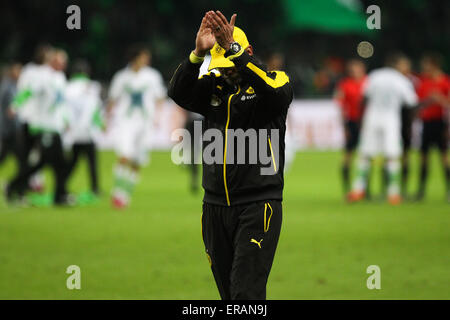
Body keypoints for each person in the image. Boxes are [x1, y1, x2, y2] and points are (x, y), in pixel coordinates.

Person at [168, 11, 293, 299]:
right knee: (229, 297)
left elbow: (276, 92)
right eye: (221, 64)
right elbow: (177, 92)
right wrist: (197, 55)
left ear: (247, 53)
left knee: (245, 296)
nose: (226, 71)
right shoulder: (214, 86)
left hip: (257, 206)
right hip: (213, 208)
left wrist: (235, 54)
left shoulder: (273, 82)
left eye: (230, 65)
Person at [347, 53, 418, 205]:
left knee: (365, 155)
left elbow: (364, 98)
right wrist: (410, 124)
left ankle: (358, 190)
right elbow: (411, 102)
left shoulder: (375, 76)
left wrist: (360, 120)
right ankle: (393, 193)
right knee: (392, 156)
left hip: (372, 118)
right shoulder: (401, 80)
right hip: (390, 120)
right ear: (397, 65)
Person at [6, 48, 71, 205]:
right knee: (46, 162)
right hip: (43, 125)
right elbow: (28, 92)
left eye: (64, 61)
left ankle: (60, 195)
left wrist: (65, 120)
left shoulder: (60, 78)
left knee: (59, 162)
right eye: (60, 60)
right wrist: (15, 106)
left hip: (55, 126)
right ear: (52, 61)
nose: (62, 64)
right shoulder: (42, 76)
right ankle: (13, 186)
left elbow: (61, 104)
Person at [108, 44, 166, 209]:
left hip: (145, 123)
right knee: (124, 156)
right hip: (126, 122)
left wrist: (158, 117)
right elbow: (113, 99)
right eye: (144, 57)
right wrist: (107, 119)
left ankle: (125, 195)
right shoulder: (121, 77)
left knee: (137, 161)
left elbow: (159, 97)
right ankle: (117, 191)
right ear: (135, 58)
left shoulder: (152, 76)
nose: (147, 60)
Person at [64, 59, 104, 199]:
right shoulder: (92, 87)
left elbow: (63, 109)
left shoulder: (67, 87)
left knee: (72, 162)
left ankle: (62, 185)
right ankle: (95, 188)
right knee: (92, 162)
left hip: (74, 132)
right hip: (88, 131)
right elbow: (96, 109)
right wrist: (100, 124)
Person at [415, 53, 450, 202]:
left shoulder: (445, 82)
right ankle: (421, 192)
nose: (424, 69)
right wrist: (427, 101)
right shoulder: (423, 82)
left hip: (441, 123)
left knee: (444, 158)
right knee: (423, 158)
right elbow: (418, 103)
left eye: (426, 66)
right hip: (426, 123)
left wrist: (439, 99)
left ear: (434, 66)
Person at [334, 59, 366, 195]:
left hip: (366, 123)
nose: (354, 71)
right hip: (352, 122)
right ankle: (347, 189)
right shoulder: (345, 84)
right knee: (348, 156)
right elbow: (341, 105)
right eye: (352, 69)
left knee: (366, 157)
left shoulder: (368, 82)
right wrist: (345, 126)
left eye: (357, 68)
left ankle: (365, 189)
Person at [0, 62, 22, 169]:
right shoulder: (7, 86)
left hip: (12, 126)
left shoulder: (15, 85)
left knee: (10, 153)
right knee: (18, 152)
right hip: (8, 126)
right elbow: (8, 108)